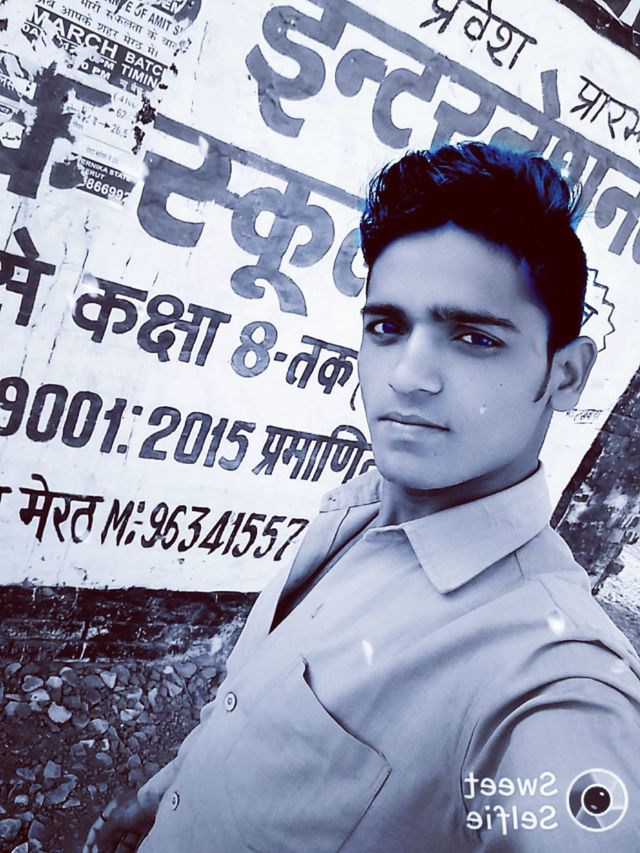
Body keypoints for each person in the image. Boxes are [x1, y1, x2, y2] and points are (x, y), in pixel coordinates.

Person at [84, 142, 640, 852]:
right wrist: (162, 797)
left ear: (566, 375)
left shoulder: (553, 674)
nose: (406, 376)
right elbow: (259, 720)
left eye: (474, 338)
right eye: (387, 327)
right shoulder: (358, 510)